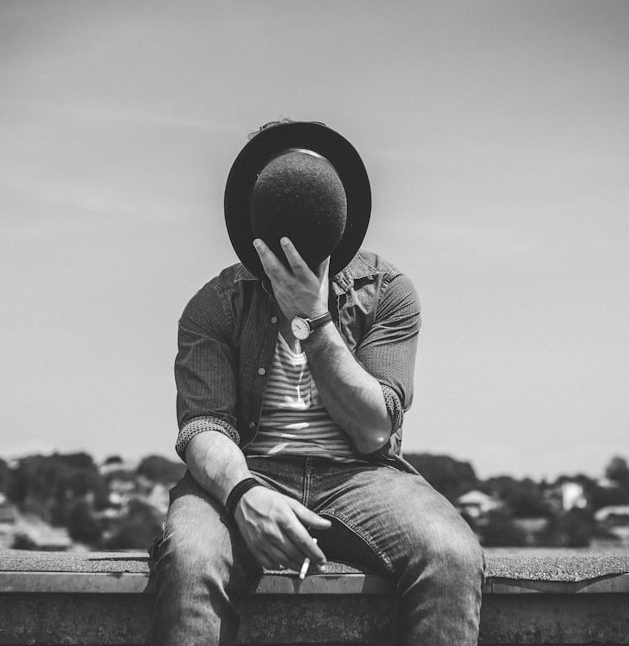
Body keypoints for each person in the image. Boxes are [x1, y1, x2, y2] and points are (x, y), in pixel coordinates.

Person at [149, 120, 484, 645]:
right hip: (247, 469)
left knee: (451, 556)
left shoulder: (387, 292)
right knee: (190, 558)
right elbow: (204, 427)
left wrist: (315, 319)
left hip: (362, 476)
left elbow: (374, 431)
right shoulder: (214, 305)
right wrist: (242, 495)